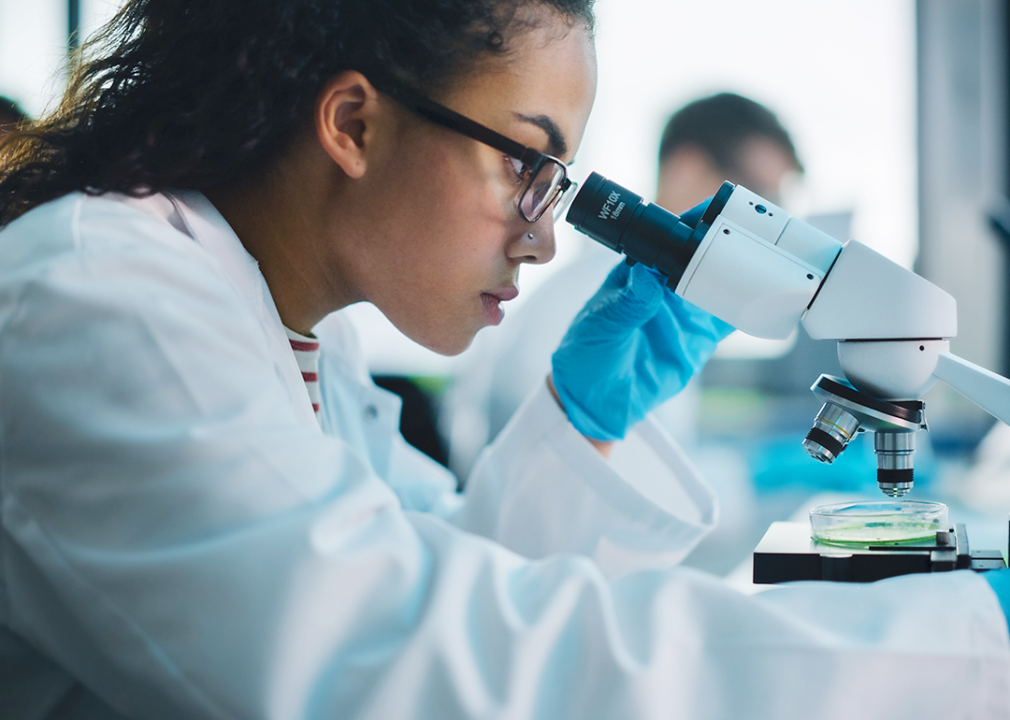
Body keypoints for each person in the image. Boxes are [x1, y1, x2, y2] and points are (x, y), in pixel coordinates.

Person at [0, 3, 1007, 720]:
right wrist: (963, 635)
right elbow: (425, 669)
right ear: (354, 123)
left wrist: (579, 421)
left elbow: (444, 570)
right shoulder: (100, 301)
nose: (543, 239)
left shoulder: (308, 337)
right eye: (526, 165)